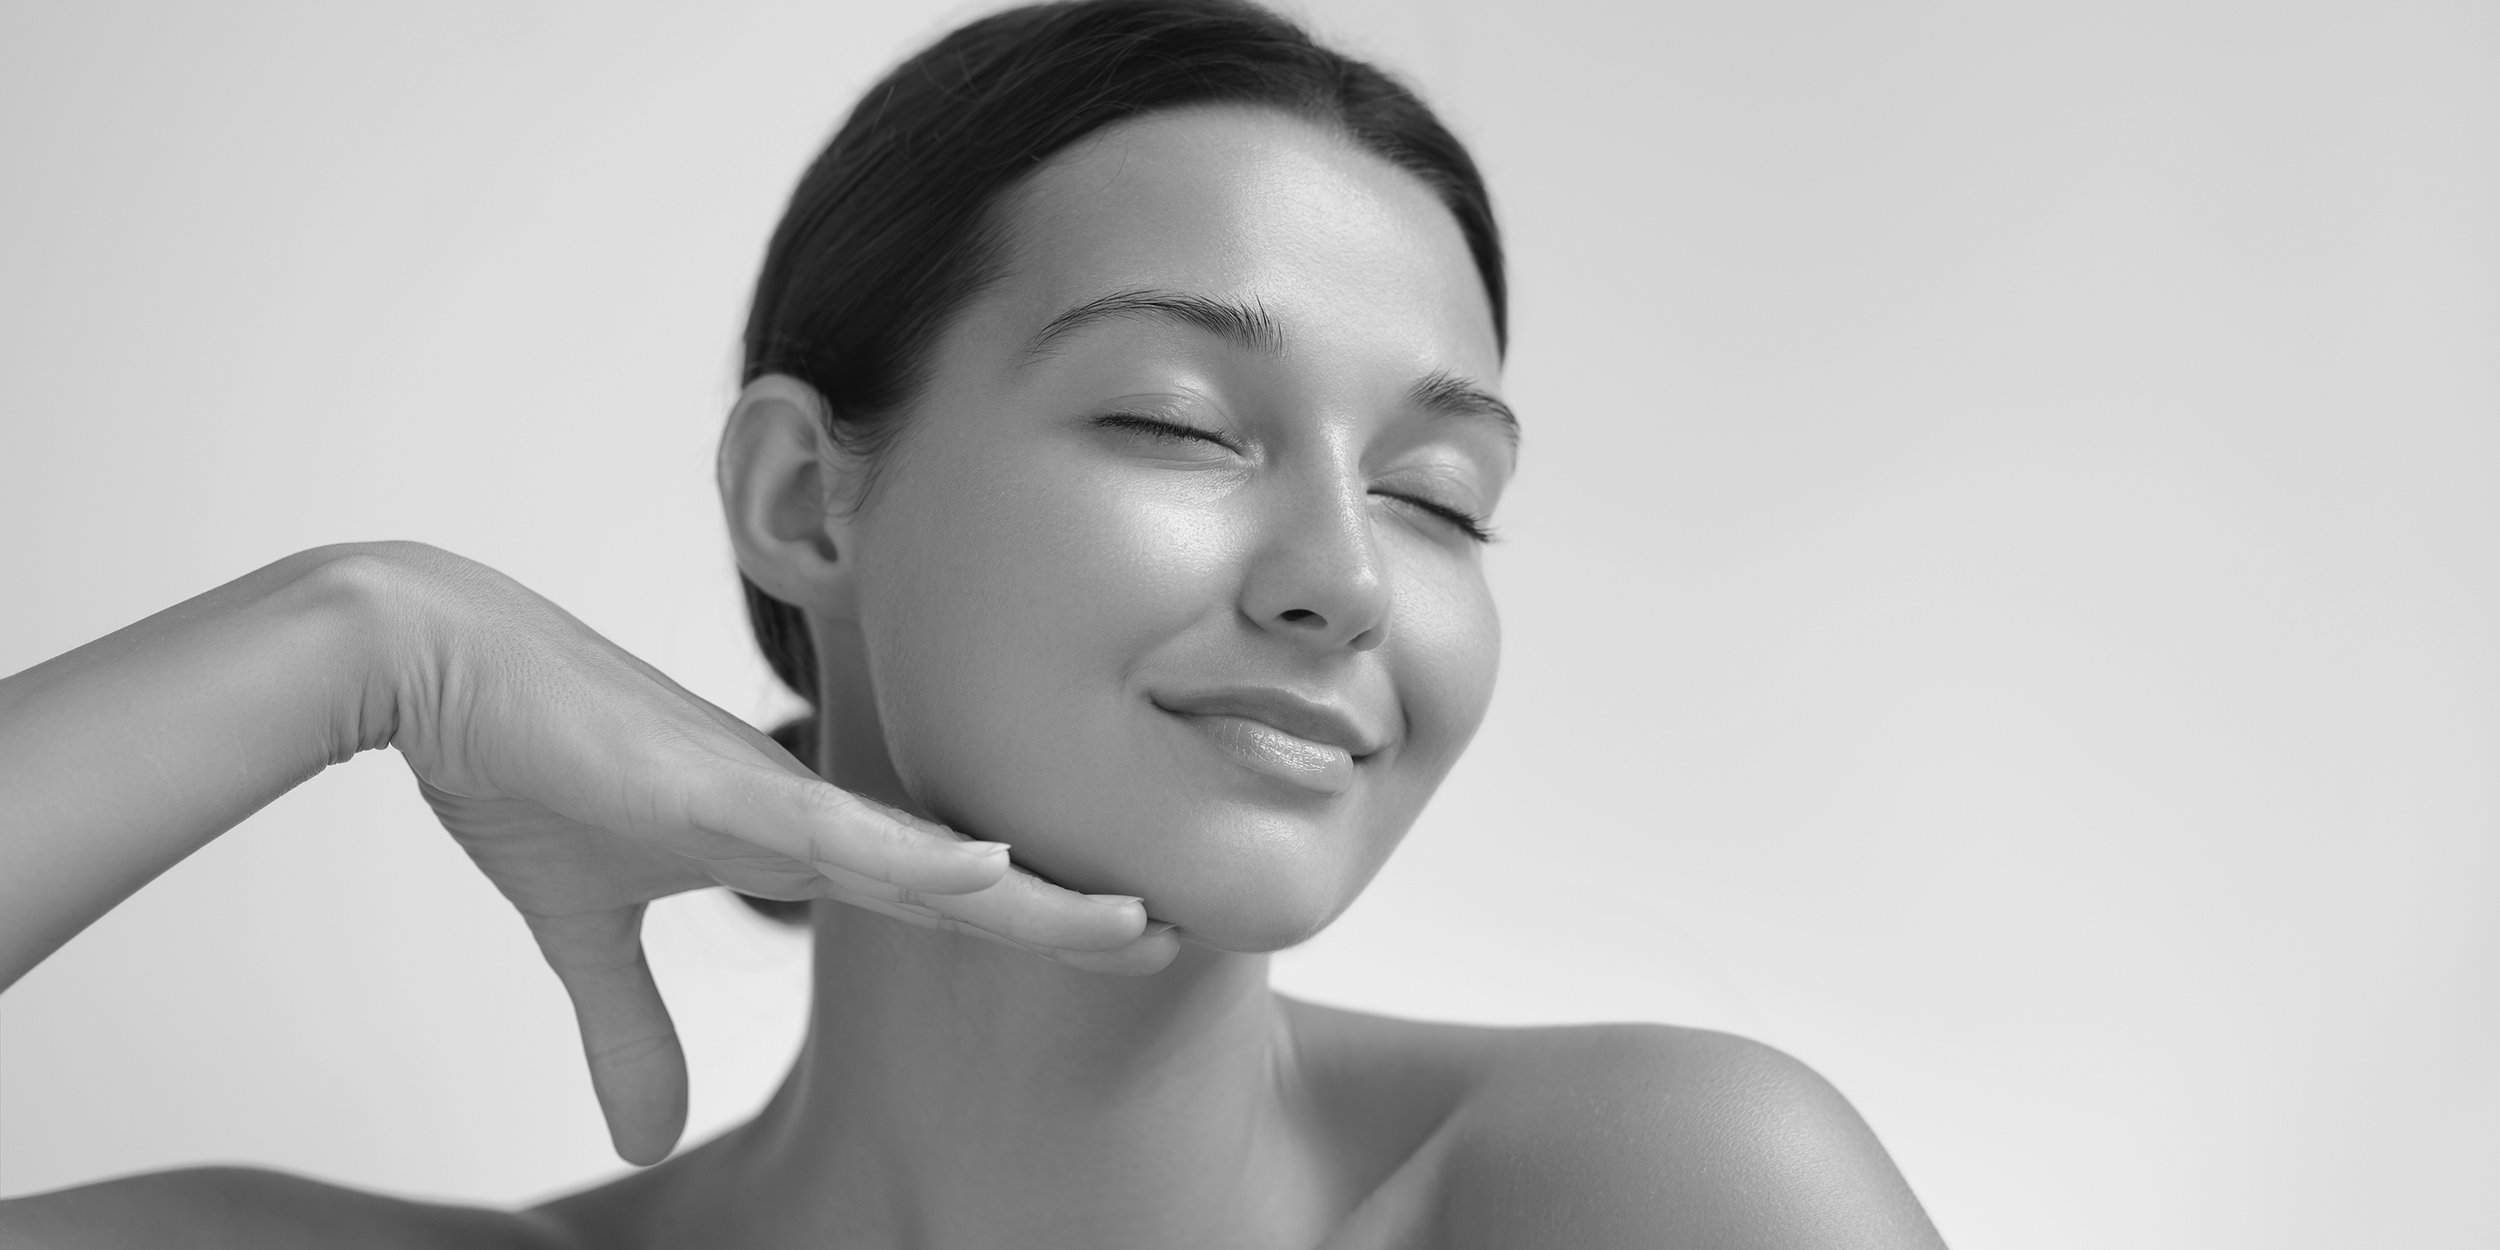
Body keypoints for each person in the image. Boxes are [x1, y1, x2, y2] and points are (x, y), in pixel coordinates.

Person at [0, 1, 1944, 1245]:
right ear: (804, 495)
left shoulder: (1655, 1191)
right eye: (1178, 421)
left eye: (1438, 495)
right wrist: (361, 638)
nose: (1347, 577)